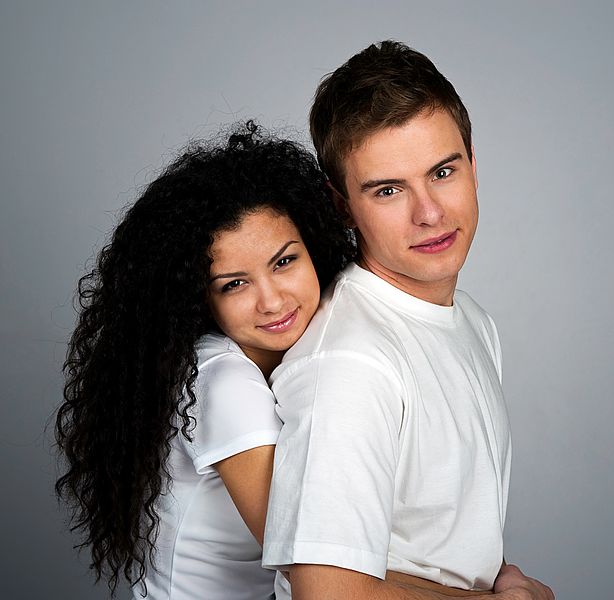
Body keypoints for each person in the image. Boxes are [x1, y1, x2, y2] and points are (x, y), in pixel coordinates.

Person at [262, 41, 554, 600]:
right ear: (343, 205)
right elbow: (327, 593)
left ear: (473, 163)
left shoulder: (470, 320)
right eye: (389, 189)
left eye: (442, 171)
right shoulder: (349, 361)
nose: (430, 213)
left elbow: (434, 538)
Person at [55, 122, 354, 599]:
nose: (272, 301)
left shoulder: (296, 350)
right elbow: (315, 573)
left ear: (314, 248)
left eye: (284, 262)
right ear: (199, 298)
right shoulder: (224, 382)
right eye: (234, 284)